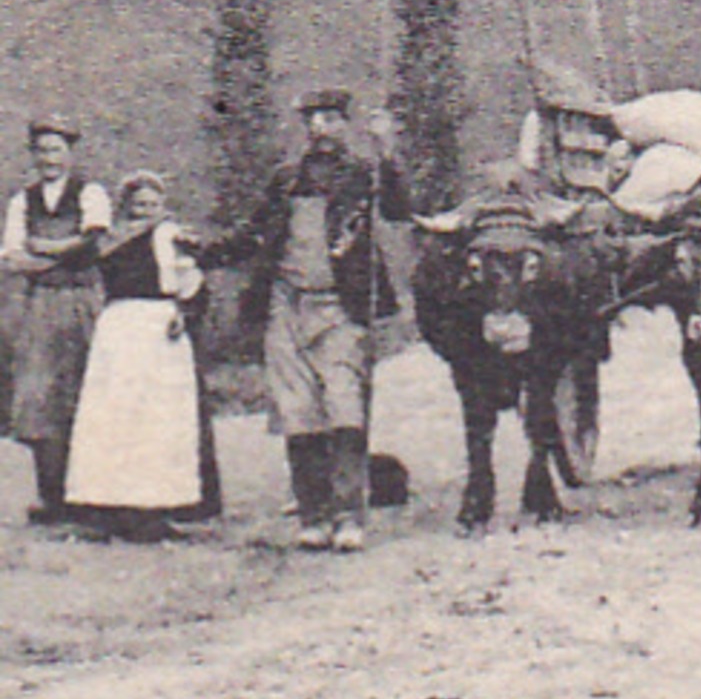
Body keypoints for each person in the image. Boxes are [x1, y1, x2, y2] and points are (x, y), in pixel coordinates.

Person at [192, 90, 409, 553]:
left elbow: (398, 209)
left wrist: (387, 149)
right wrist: (204, 251)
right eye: (313, 120)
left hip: (342, 308)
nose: (321, 129)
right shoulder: (286, 180)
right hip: (286, 305)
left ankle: (350, 515)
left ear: (346, 125)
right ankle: (314, 515)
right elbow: (253, 234)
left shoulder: (364, 175)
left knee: (345, 407)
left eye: (331, 119)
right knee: (298, 413)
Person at [64, 171, 219, 541]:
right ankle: (110, 506)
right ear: (127, 207)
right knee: (116, 415)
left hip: (159, 326)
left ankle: (156, 508)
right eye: (139, 205)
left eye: (153, 204)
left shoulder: (171, 235)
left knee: (160, 418)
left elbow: (190, 280)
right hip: (119, 327)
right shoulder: (109, 239)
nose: (146, 212)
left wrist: (184, 312)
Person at [0, 115, 111, 525]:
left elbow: (92, 245)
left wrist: (44, 249)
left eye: (56, 149)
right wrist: (52, 256)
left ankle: (92, 495)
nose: (49, 158)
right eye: (41, 150)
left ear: (70, 152)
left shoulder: (90, 193)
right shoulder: (22, 201)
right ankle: (52, 496)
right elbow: (12, 257)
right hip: (41, 307)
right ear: (33, 154)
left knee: (86, 393)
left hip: (83, 303)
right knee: (39, 396)